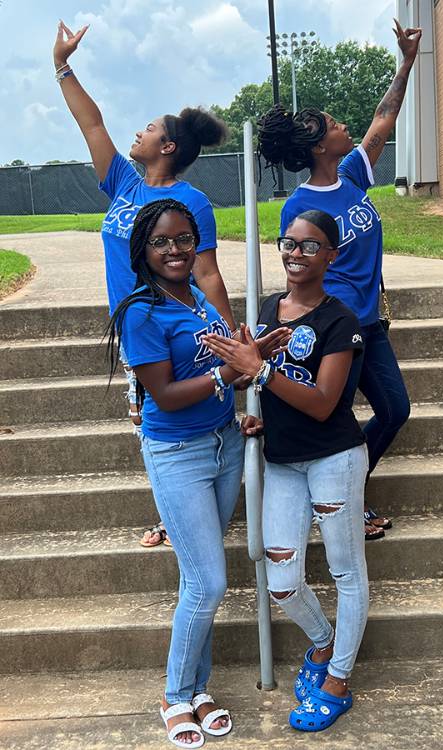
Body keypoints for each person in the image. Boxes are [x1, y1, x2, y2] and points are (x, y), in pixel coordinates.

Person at [107, 198, 290, 747]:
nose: (175, 250)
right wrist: (226, 372)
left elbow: (223, 374)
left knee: (199, 581)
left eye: (184, 239)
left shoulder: (201, 301)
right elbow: (163, 394)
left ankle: (198, 687)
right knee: (209, 581)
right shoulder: (140, 311)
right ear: (143, 249)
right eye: (162, 241)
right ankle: (173, 694)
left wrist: (249, 361)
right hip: (177, 453)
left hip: (224, 444)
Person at [53, 20, 236, 547]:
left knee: (159, 413)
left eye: (150, 128)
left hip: (168, 325)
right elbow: (93, 127)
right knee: (143, 416)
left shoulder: (191, 202)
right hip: (134, 323)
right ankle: (175, 511)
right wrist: (62, 67)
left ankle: (178, 516)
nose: (139, 133)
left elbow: (206, 273)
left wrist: (231, 336)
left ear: (169, 145)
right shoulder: (124, 184)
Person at [203, 210, 368, 734]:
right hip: (282, 462)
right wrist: (260, 409)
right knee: (281, 582)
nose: (296, 254)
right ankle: (322, 643)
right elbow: (269, 387)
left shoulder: (340, 321)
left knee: (346, 571)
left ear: (332, 256)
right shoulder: (270, 309)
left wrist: (260, 370)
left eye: (310, 246)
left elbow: (322, 404)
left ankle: (337, 680)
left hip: (333, 459)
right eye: (289, 244)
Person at [257, 19, 422, 540]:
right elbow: (296, 270)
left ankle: (348, 494)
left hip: (368, 324)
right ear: (316, 144)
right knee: (335, 419)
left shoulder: (352, 174)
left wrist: (407, 61)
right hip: (334, 330)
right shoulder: (299, 207)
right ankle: (339, 507)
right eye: (333, 124)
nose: (344, 127)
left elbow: (384, 117)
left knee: (394, 409)